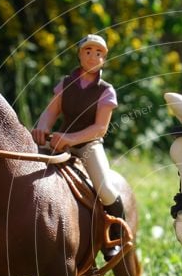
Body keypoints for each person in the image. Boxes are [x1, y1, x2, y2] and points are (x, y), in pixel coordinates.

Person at [32, 34, 124, 259]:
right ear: (80, 54)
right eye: (89, 52)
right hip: (59, 140)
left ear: (104, 58)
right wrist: (42, 127)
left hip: (88, 145)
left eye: (99, 53)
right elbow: (52, 112)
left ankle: (115, 233)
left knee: (105, 187)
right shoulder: (65, 83)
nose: (93, 57)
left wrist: (71, 139)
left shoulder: (105, 91)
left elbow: (100, 128)